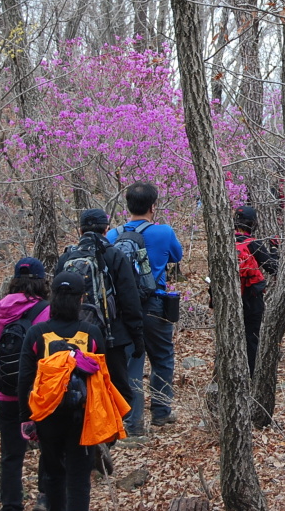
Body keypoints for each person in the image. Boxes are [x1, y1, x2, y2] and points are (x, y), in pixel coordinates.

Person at [17, 272, 108, 511]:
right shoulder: (91, 333)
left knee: (53, 474)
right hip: (82, 416)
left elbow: (25, 379)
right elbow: (105, 380)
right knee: (79, 478)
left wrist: (26, 418)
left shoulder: (37, 334)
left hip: (47, 416)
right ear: (80, 300)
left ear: (53, 298)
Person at [107, 181, 183, 433]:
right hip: (155, 305)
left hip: (124, 309)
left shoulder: (112, 235)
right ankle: (161, 412)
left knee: (131, 364)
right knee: (162, 357)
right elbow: (176, 256)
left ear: (127, 205)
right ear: (153, 206)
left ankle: (133, 423)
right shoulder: (164, 232)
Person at [0, 257, 52, 511]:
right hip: (38, 393)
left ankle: (11, 504)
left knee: (11, 453)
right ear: (41, 281)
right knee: (49, 446)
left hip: (6, 392)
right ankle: (44, 497)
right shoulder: (46, 310)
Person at [55, 208, 145, 407]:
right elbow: (130, 299)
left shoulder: (66, 258)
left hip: (74, 336)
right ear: (106, 229)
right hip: (112, 336)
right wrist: (137, 336)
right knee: (117, 390)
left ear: (80, 230)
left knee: (80, 388)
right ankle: (113, 433)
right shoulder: (115, 255)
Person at [233, 205, 279, 375]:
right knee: (251, 337)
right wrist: (274, 248)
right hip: (251, 299)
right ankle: (250, 376)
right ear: (253, 224)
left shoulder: (222, 241)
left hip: (229, 299)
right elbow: (274, 268)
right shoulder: (254, 244)